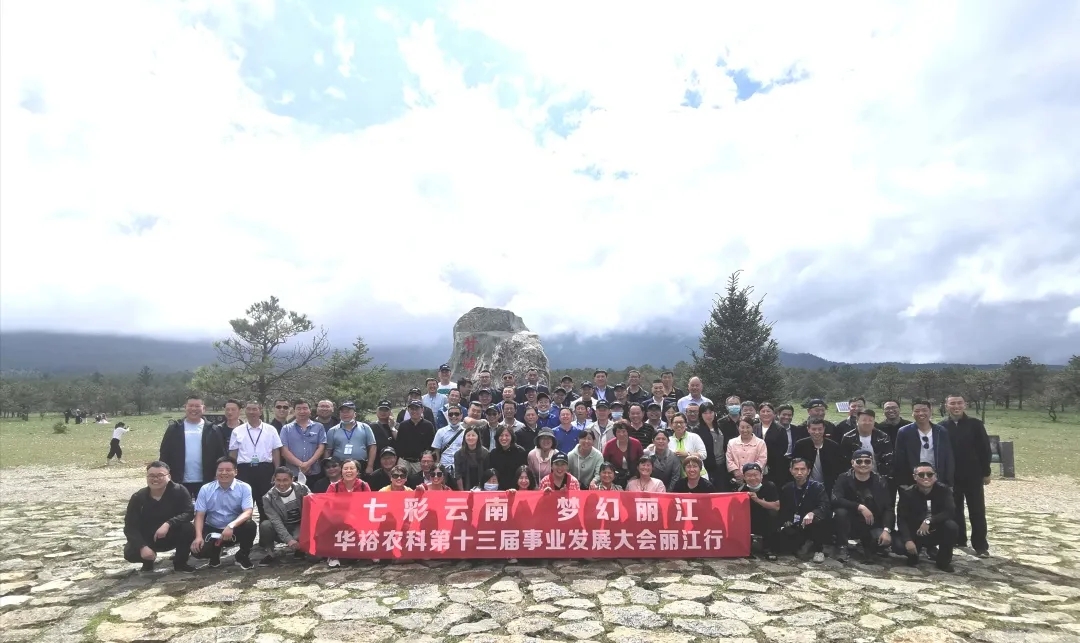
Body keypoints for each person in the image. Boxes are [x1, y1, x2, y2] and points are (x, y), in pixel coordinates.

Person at [123, 461, 196, 572]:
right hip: (149, 538)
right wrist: (142, 546)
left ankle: (180, 563)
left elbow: (189, 513)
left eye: (160, 475)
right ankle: (148, 561)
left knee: (188, 528)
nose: (155, 479)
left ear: (169, 476)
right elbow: (130, 526)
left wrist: (168, 524)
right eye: (151, 476)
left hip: (172, 534)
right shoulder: (138, 497)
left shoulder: (179, 491)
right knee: (130, 553)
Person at [942, 394, 992, 558]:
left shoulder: (975, 424)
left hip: (973, 475)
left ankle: (980, 545)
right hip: (952, 476)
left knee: (977, 511)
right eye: (952, 403)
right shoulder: (942, 427)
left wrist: (986, 472)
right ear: (946, 406)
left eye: (959, 403)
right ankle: (959, 539)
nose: (956, 406)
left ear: (965, 405)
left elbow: (985, 449)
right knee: (955, 509)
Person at [191, 457, 257, 570]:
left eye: (228, 470)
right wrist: (198, 536)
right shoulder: (205, 489)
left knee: (250, 525)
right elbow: (199, 515)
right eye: (220, 470)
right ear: (216, 472)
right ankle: (215, 553)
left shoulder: (244, 487)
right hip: (212, 527)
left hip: (234, 527)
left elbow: (248, 512)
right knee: (198, 551)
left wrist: (231, 525)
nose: (224, 473)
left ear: (236, 472)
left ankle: (242, 555)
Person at [831, 449, 894, 562]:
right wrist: (859, 507)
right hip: (850, 520)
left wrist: (886, 530)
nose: (863, 464)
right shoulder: (844, 478)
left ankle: (868, 546)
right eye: (859, 461)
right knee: (840, 512)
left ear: (872, 463)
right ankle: (842, 546)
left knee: (882, 543)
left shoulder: (880, 481)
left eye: (867, 461)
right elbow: (836, 499)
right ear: (852, 463)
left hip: (871, 522)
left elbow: (888, 508)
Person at [895, 462, 958, 572]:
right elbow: (901, 519)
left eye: (929, 474)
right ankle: (914, 553)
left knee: (951, 527)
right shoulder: (907, 494)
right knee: (898, 546)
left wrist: (929, 521)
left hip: (936, 530)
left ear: (935, 476)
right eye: (921, 475)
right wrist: (908, 540)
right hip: (916, 532)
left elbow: (950, 511)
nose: (925, 477)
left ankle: (943, 560)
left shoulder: (944, 490)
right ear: (914, 477)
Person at [160, 397, 227, 497]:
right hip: (178, 480)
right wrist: (163, 474)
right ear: (185, 407)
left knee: (205, 507)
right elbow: (164, 454)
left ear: (204, 408)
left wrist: (218, 475)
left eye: (197, 406)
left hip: (206, 481)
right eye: (190, 406)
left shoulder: (213, 429)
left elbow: (220, 454)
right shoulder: (174, 429)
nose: (194, 409)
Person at [228, 400, 282, 525]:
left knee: (266, 504)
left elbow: (275, 451)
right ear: (245, 411)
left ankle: (266, 532)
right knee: (244, 504)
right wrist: (232, 471)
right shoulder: (238, 431)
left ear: (260, 411)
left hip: (265, 469)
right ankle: (244, 532)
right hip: (244, 470)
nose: (251, 412)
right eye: (249, 409)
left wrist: (277, 470)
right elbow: (233, 453)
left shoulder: (270, 429)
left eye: (254, 409)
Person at [776, 458, 830, 563]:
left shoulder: (817, 487)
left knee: (819, 521)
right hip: (796, 523)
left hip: (812, 522)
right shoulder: (787, 488)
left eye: (803, 469)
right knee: (781, 545)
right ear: (791, 471)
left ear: (808, 471)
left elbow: (824, 505)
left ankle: (819, 550)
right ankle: (804, 544)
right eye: (796, 469)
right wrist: (786, 520)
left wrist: (813, 513)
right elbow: (783, 509)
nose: (799, 472)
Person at [895, 399, 955, 488]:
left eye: (924, 410)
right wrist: (902, 482)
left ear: (930, 412)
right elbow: (900, 459)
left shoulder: (941, 431)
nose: (921, 413)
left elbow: (948, 457)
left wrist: (949, 482)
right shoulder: (904, 432)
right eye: (917, 411)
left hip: (937, 476)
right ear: (912, 413)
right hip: (913, 478)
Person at [258, 466, 310, 566]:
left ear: (292, 479)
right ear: (274, 480)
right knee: (265, 525)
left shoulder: (302, 489)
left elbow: (312, 508)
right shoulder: (267, 498)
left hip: (300, 524)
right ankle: (270, 553)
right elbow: (275, 520)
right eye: (278, 480)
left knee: (299, 537)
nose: (281, 484)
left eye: (285, 480)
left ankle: (300, 549)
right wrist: (288, 539)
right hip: (282, 525)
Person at [325, 459, 372, 568]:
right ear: (341, 471)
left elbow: (369, 504)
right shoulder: (334, 487)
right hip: (338, 520)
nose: (348, 471)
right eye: (345, 469)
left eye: (352, 468)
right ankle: (333, 555)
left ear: (357, 471)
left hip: (359, 519)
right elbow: (328, 506)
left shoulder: (364, 486)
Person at [279, 399, 328, 488]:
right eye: (299, 408)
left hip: (314, 472)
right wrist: (301, 465)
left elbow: (321, 448)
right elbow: (284, 451)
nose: (302, 411)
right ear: (294, 411)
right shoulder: (286, 429)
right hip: (293, 474)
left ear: (310, 410)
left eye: (305, 408)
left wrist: (308, 464)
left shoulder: (319, 427)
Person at [735, 463, 779, 561]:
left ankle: (769, 548)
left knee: (772, 514)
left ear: (761, 475)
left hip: (766, 519)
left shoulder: (769, 486)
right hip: (750, 520)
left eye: (755, 475)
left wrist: (757, 500)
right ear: (744, 477)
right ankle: (745, 547)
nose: (753, 478)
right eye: (749, 475)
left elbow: (776, 506)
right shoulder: (741, 490)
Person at [792, 417, 845, 495]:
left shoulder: (834, 446)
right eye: (813, 429)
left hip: (828, 487)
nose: (817, 432)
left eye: (820, 429)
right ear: (808, 429)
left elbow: (838, 468)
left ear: (824, 429)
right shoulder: (800, 445)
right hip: (805, 485)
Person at [838, 409, 894, 480]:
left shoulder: (883, 437)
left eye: (870, 420)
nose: (867, 423)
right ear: (857, 421)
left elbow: (888, 460)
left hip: (878, 477)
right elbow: (844, 461)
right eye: (864, 420)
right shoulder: (848, 437)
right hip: (854, 477)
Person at [325, 401, 376, 477]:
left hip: (361, 464)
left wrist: (370, 466)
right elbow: (328, 450)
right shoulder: (333, 430)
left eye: (348, 411)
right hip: (339, 465)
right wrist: (327, 467)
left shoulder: (365, 427)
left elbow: (372, 447)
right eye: (343, 412)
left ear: (355, 414)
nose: (345, 414)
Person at [395, 400, 436, 476]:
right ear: (408, 410)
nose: (414, 411)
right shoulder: (403, 425)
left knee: (419, 481)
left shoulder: (428, 425)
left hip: (419, 462)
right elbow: (398, 444)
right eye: (412, 409)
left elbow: (431, 445)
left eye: (417, 409)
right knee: (400, 479)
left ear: (422, 410)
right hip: (404, 461)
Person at [726, 418, 768, 489]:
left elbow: (762, 460)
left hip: (754, 478)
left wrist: (749, 474)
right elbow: (729, 459)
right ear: (738, 428)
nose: (745, 430)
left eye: (748, 427)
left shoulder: (760, 443)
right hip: (737, 478)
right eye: (742, 427)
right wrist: (736, 472)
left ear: (752, 427)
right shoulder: (731, 442)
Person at [602, 420, 644, 488]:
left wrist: (636, 476)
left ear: (628, 432)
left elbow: (642, 462)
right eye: (618, 431)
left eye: (624, 431)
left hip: (635, 478)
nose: (621, 434)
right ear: (615, 433)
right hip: (615, 479)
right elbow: (605, 464)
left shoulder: (636, 443)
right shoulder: (609, 445)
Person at [489, 426, 528, 490]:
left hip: (516, 489)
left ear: (512, 437)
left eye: (507, 435)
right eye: (501, 435)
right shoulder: (493, 453)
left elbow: (524, 472)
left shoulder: (520, 452)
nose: (504, 438)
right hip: (499, 490)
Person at [454, 426, 490, 491]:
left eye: (473, 435)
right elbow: (458, 475)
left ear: (478, 437)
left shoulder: (485, 453)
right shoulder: (458, 454)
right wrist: (462, 491)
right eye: (468, 435)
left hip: (482, 486)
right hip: (464, 486)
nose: (470, 438)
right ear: (464, 437)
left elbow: (487, 474)